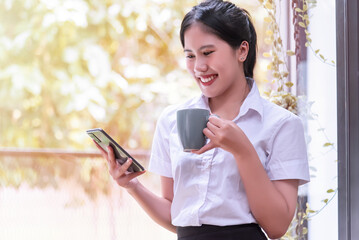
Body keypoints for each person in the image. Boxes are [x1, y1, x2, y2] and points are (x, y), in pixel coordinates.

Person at [94, 0, 310, 239]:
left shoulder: (282, 125)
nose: (199, 67)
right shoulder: (171, 120)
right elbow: (176, 214)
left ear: (242, 50)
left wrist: (243, 150)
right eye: (190, 55)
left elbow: (277, 227)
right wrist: (131, 185)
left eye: (208, 53)